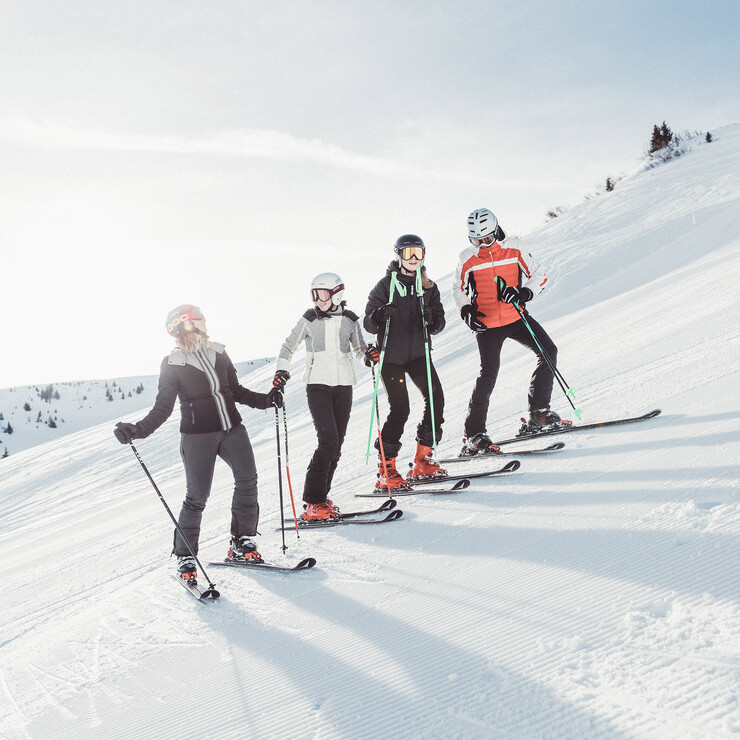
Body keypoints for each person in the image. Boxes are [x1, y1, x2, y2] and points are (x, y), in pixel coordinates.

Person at [113, 304, 282, 584]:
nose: (206, 322)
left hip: (232, 430)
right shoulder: (173, 363)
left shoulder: (218, 351)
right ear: (188, 324)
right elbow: (163, 407)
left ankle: (241, 542)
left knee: (247, 479)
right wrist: (137, 430)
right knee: (197, 498)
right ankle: (186, 556)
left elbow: (235, 391)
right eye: (200, 318)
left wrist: (267, 400)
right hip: (197, 438)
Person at [453, 208, 567, 454]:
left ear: (496, 231)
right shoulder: (467, 258)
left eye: (487, 238)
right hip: (487, 324)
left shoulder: (515, 247)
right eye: (476, 240)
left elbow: (539, 275)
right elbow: (458, 289)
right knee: (488, 375)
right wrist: (466, 312)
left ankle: (539, 413)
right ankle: (473, 435)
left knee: (549, 351)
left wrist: (524, 293)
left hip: (516, 316)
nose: (482, 244)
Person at [273, 273, 378, 521]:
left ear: (337, 294)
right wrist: (281, 369)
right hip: (317, 386)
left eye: (323, 294)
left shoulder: (351, 321)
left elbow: (360, 351)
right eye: (315, 294)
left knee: (337, 445)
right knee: (328, 441)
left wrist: (369, 357)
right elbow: (288, 346)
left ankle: (322, 498)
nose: (318, 300)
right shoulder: (309, 320)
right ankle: (312, 501)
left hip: (343, 386)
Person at [364, 235, 446, 489]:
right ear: (398, 255)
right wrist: (379, 315)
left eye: (418, 253)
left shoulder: (429, 287)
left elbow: (439, 324)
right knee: (401, 409)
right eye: (408, 253)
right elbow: (368, 322)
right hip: (391, 358)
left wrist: (431, 317)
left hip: (418, 355)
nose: (413, 259)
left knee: (436, 399)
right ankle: (386, 468)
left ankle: (423, 459)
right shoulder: (385, 285)